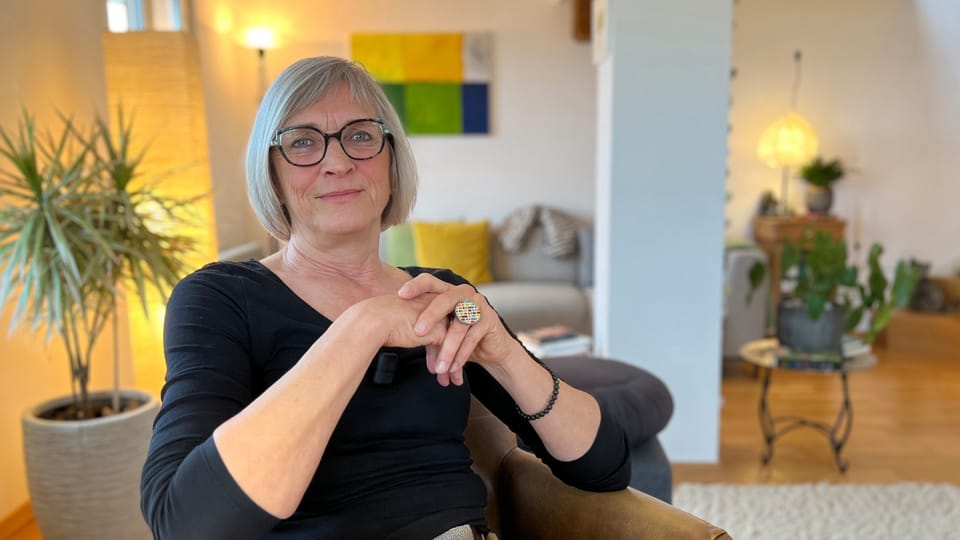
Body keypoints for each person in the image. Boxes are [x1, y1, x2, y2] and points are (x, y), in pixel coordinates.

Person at [140, 56, 631, 540]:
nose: (337, 162)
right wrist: (364, 326)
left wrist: (502, 350)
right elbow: (186, 523)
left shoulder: (444, 295)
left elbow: (604, 467)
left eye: (359, 136)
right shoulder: (217, 299)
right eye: (303, 142)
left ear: (391, 161)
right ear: (272, 174)